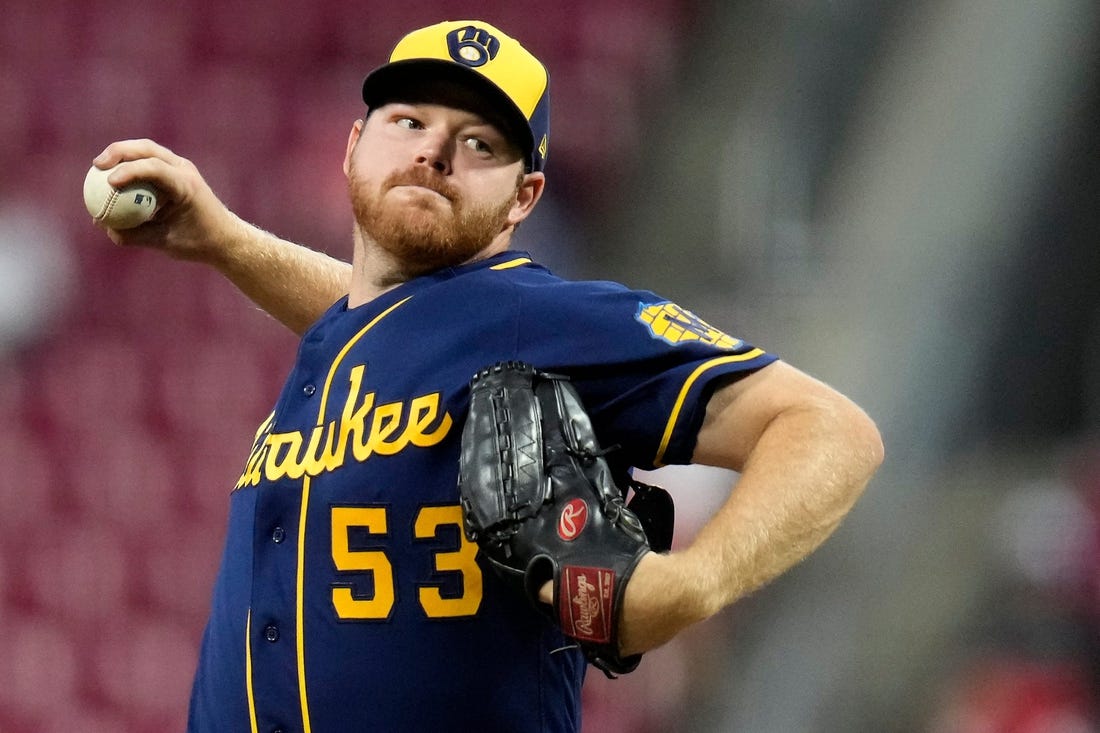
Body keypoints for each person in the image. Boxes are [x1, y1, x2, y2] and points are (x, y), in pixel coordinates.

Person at [90, 19, 884, 733]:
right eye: (409, 122)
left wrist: (687, 586)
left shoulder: (539, 318)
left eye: (479, 144)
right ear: (353, 146)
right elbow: (383, 320)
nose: (434, 151)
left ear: (522, 198)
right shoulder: (354, 340)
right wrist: (227, 242)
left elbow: (832, 429)